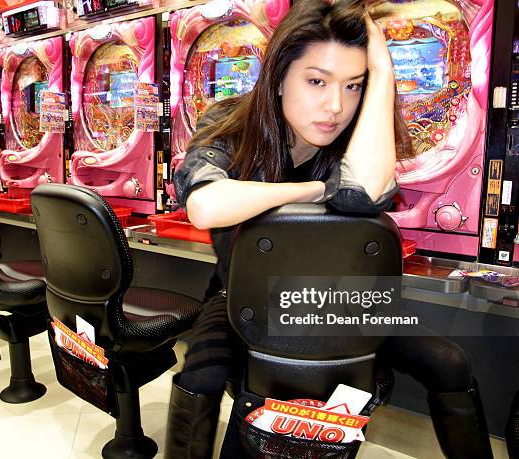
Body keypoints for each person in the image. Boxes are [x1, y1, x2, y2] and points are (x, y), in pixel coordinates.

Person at [165, 1, 493, 458]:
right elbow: (205, 205)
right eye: (316, 81)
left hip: (338, 299)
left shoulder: (359, 137)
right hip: (243, 296)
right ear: (279, 76)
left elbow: (364, 194)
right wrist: (312, 190)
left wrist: (383, 75)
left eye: (354, 85)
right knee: (200, 374)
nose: (336, 105)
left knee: (449, 361)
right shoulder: (230, 121)